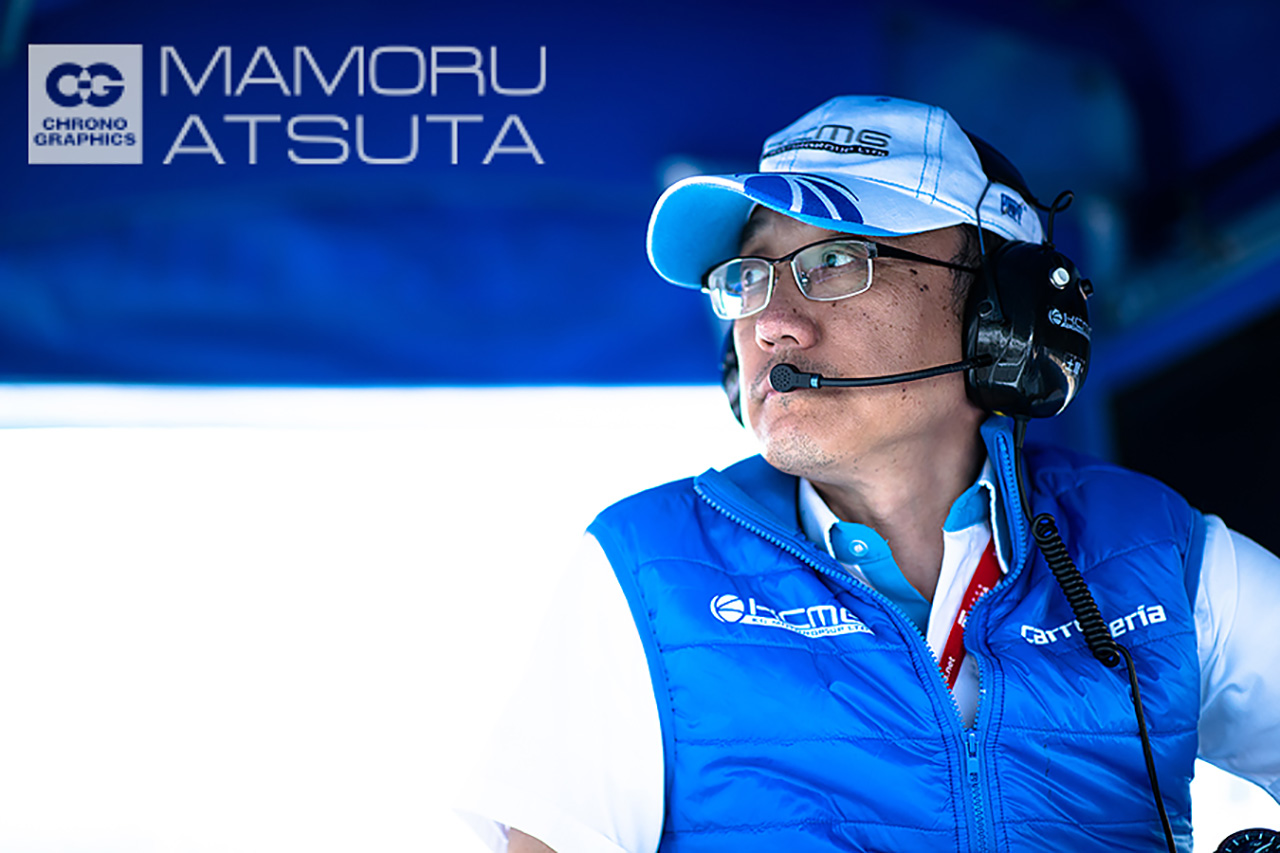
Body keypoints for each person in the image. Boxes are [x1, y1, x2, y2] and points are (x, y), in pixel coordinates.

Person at [459, 95, 1280, 853]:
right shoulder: (645, 571)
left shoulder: (1159, 551)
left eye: (835, 260)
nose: (772, 323)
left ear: (1001, 315)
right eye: (749, 276)